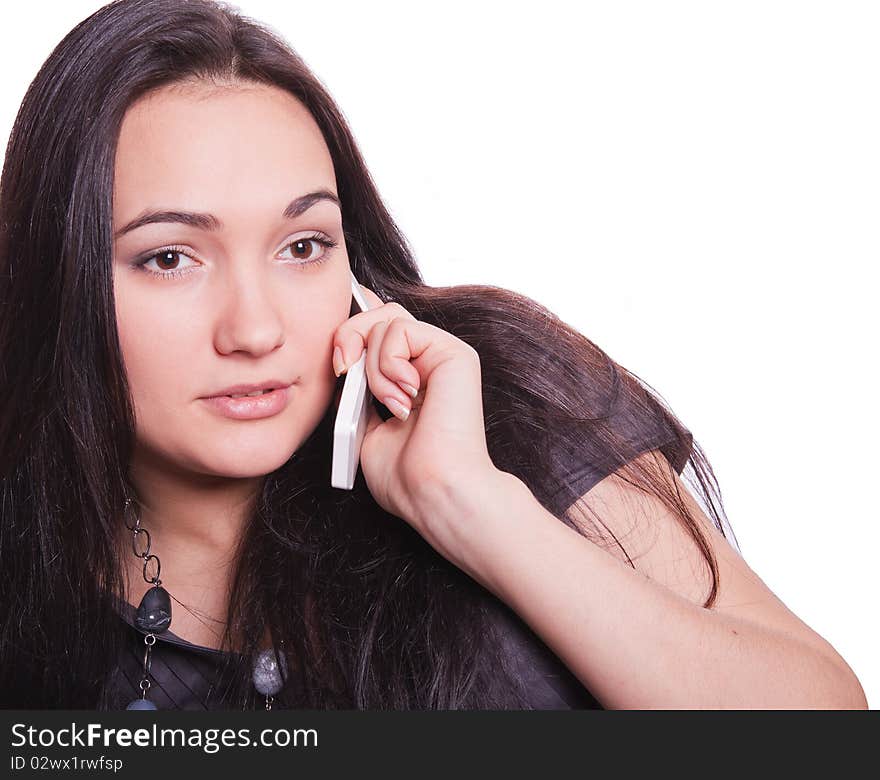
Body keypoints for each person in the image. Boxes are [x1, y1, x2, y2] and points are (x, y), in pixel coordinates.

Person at [0, 0, 866, 711]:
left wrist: (475, 508)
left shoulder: (499, 393)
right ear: (57, 278)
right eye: (170, 258)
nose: (255, 331)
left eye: (302, 246)